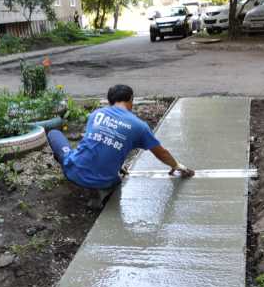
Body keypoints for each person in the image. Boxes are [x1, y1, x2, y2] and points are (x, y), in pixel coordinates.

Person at [47, 85, 194, 207]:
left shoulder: (96, 114)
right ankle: (101, 193)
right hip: (106, 181)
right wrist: (177, 165)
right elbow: (161, 153)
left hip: (73, 171)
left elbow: (98, 142)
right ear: (131, 100)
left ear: (110, 101)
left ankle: (71, 166)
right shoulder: (139, 126)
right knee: (112, 155)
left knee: (54, 134)